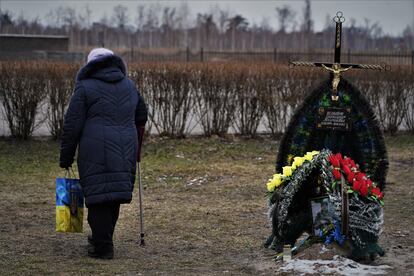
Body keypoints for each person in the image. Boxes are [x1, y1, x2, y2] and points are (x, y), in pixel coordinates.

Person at [59, 48, 148, 259]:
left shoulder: (85, 87)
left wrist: (66, 156)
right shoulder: (129, 86)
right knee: (113, 195)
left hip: (94, 150)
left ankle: (103, 246)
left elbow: (72, 125)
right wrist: (135, 142)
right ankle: (103, 239)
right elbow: (142, 115)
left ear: (90, 65)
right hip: (125, 147)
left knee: (98, 198)